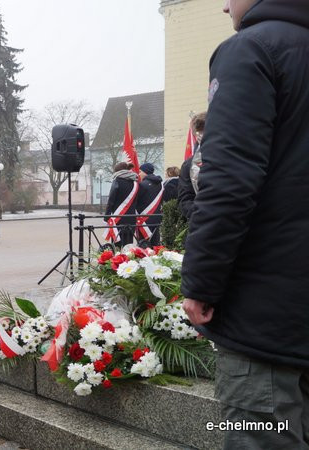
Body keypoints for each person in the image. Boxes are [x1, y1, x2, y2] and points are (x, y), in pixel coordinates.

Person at [182, 1, 309, 448]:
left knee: (254, 432)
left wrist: (200, 282)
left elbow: (230, 180)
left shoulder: (251, 50)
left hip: (265, 318)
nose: (223, 5)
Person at [178, 112, 206, 220]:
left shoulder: (231, 155)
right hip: (204, 223)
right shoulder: (189, 165)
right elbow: (185, 199)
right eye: (200, 131)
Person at [103, 162, 139, 247]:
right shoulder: (135, 183)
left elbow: (111, 200)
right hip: (131, 218)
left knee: (117, 245)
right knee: (129, 245)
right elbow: (136, 201)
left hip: (118, 219)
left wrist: (107, 216)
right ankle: (129, 259)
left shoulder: (117, 181)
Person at [134, 162, 163, 247]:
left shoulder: (142, 185)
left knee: (143, 244)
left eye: (140, 171)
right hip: (156, 217)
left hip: (144, 219)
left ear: (145, 172)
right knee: (155, 243)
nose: (139, 174)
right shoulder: (160, 184)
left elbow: (137, 201)